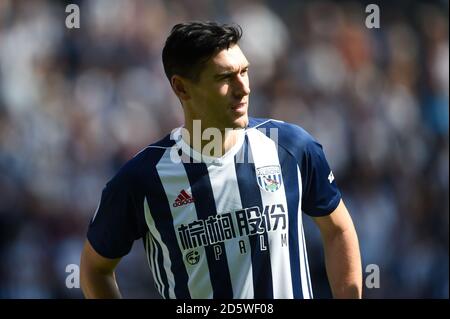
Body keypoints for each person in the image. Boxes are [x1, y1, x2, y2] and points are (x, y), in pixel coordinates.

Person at [80, 21, 362, 299]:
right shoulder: (142, 179)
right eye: (225, 78)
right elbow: (95, 270)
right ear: (181, 88)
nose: (243, 88)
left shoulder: (291, 147)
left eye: (245, 72)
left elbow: (338, 229)